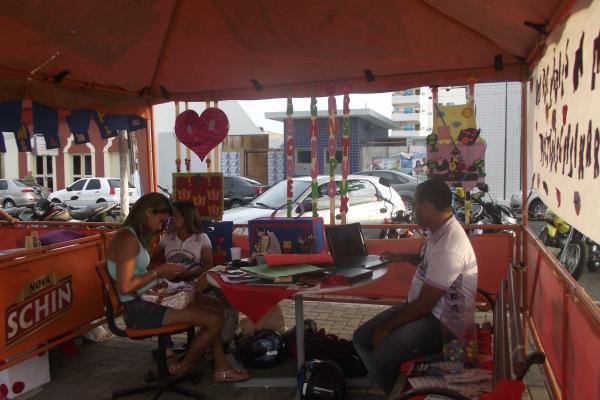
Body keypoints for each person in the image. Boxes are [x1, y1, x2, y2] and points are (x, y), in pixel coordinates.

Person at [353, 179, 478, 394]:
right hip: (424, 309)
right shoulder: (439, 231)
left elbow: (424, 305)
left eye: (416, 205)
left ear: (427, 207)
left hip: (442, 323)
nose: (414, 211)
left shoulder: (449, 246)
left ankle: (402, 393)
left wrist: (387, 328)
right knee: (362, 338)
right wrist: (399, 256)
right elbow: (426, 260)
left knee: (381, 358)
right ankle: (392, 386)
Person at [107, 193, 249, 381]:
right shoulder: (127, 239)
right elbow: (125, 286)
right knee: (214, 319)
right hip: (140, 309)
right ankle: (182, 367)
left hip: (151, 297)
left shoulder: (132, 236)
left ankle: (220, 367)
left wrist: (161, 279)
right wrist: (159, 273)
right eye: (161, 220)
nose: (162, 226)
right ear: (148, 212)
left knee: (217, 308)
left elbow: (137, 274)